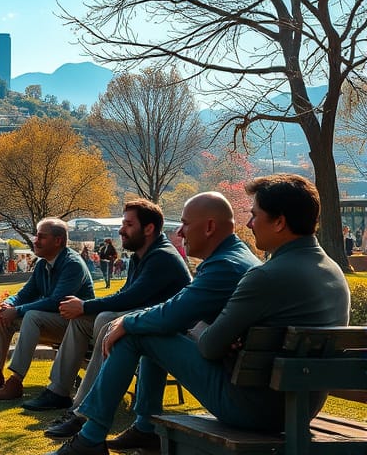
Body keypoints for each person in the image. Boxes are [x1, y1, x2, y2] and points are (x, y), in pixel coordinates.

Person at [52, 176, 351, 455]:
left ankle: (91, 437)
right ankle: (142, 428)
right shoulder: (333, 272)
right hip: (299, 404)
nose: (249, 223)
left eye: (255, 215)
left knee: (138, 332)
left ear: (280, 222)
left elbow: (209, 346)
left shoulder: (265, 276)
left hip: (255, 409)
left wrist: (152, 324)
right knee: (155, 326)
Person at [44, 192, 257, 439]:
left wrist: (126, 320)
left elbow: (172, 312)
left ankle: (90, 432)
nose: (181, 233)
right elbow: (176, 311)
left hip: (239, 398)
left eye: (186, 224)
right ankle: (142, 426)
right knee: (139, 326)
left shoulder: (222, 264)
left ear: (209, 226)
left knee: (135, 331)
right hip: (245, 381)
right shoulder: (232, 257)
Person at [22, 199, 192, 412]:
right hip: (146, 321)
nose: (122, 230)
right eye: (123, 224)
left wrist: (84, 305)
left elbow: (131, 298)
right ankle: (58, 391)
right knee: (82, 320)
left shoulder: (162, 257)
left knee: (104, 319)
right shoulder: (142, 255)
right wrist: (84, 309)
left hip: (165, 329)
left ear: (148, 229)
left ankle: (86, 406)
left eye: (129, 225)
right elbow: (125, 294)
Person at [0, 218, 93, 400]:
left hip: (75, 326)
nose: (35, 241)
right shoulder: (43, 264)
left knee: (31, 316)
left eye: (41, 237)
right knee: (5, 316)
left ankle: (15, 381)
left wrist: (17, 310)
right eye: (36, 236)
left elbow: (56, 302)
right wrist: (8, 304)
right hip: (55, 322)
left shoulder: (72, 265)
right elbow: (25, 293)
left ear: (58, 240)